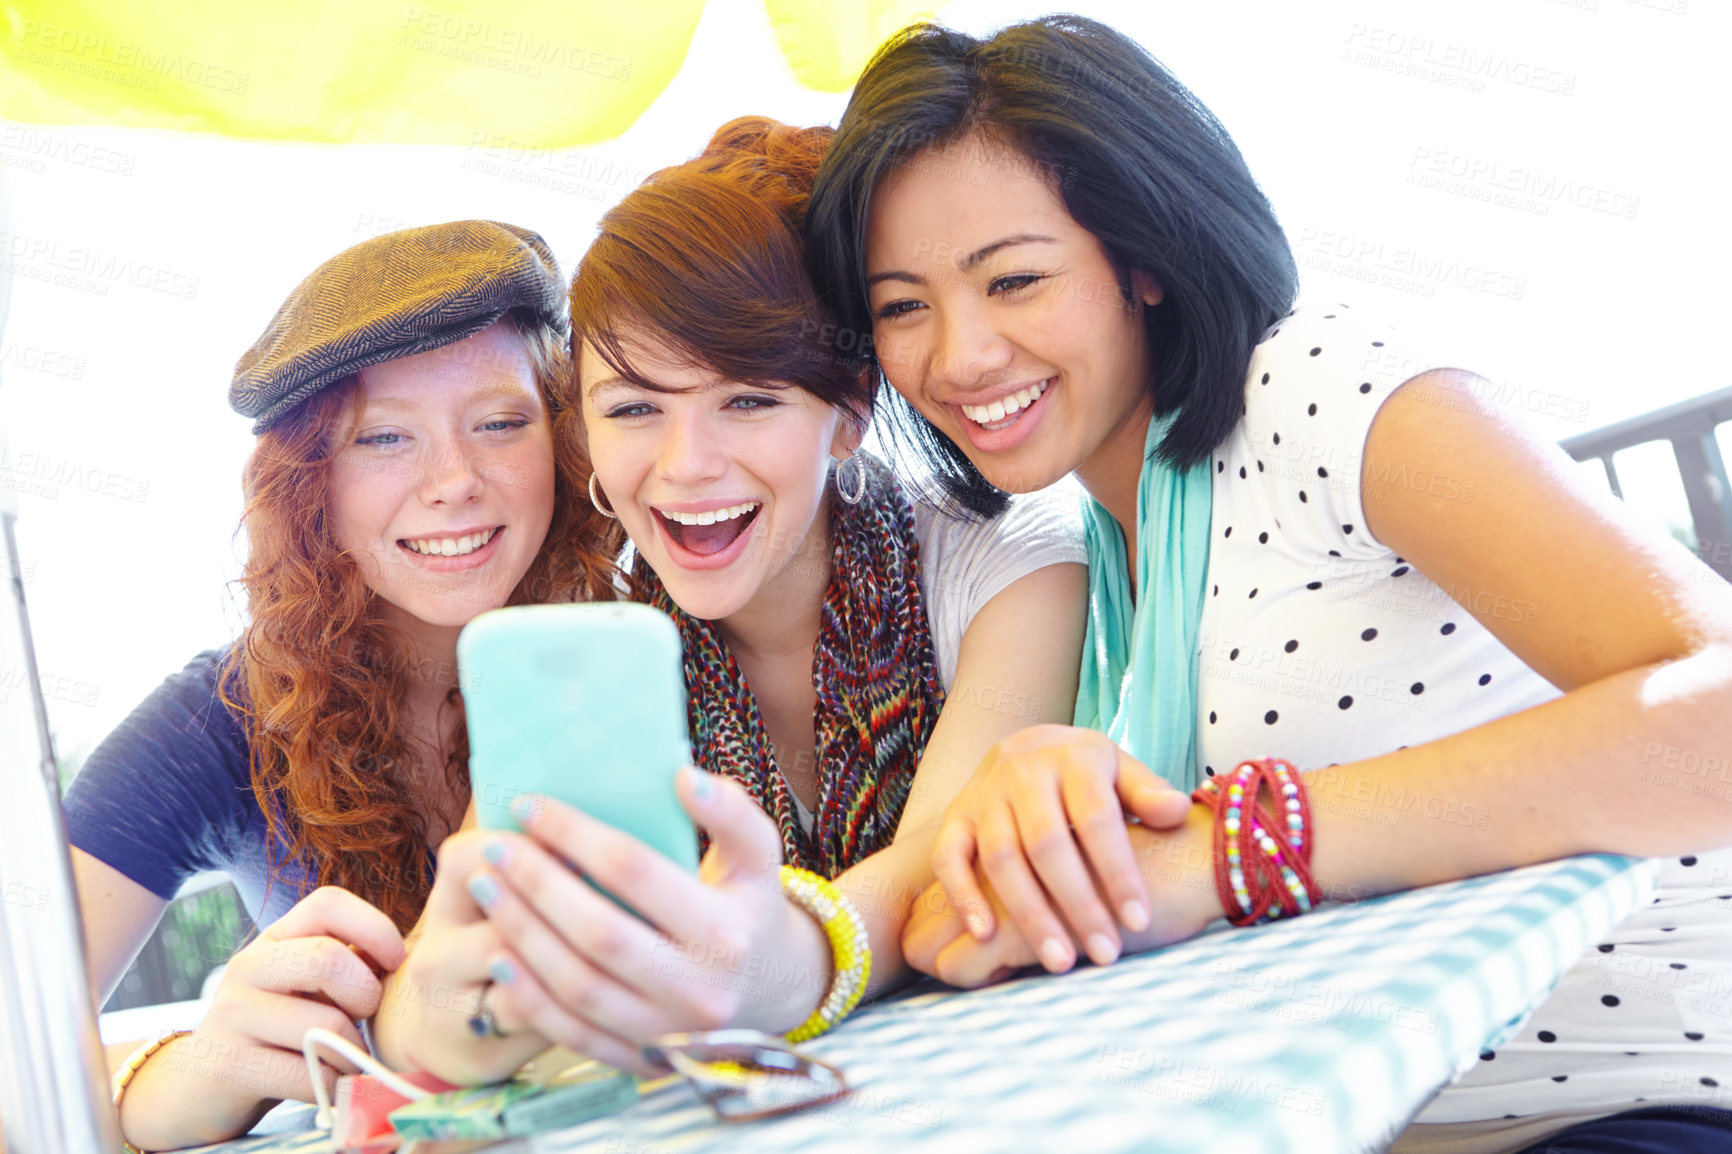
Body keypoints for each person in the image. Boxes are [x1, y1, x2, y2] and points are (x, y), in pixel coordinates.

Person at [803, 16, 1732, 1154]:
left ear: (1141, 259)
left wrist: (1222, 847)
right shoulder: (1102, 545)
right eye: (904, 305)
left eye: (1015, 279)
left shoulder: (1311, 384)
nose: (959, 356)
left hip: (1630, 1101)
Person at [372, 118, 1114, 1084]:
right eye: (635, 409)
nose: (686, 468)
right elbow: (441, 981)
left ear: (847, 411)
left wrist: (776, 962)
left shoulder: (1005, 563)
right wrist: (441, 1022)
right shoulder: (601, 661)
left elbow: (941, 863)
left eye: (749, 400)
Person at [59, 220, 621, 1151]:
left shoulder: (640, 648)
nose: (455, 483)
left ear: (563, 439)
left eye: (500, 423)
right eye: (385, 437)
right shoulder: (214, 722)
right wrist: (182, 1075)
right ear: (309, 483)